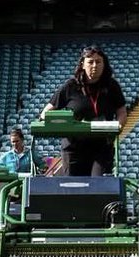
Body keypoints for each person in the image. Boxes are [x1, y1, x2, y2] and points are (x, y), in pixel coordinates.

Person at [40, 46, 127, 176]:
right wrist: (62, 122)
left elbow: (121, 111)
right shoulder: (70, 86)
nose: (94, 65)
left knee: (98, 184)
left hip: (102, 147)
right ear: (82, 64)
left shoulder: (112, 86)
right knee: (73, 185)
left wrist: (119, 125)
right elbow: (45, 113)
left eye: (98, 62)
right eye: (90, 62)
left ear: (104, 64)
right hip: (73, 148)